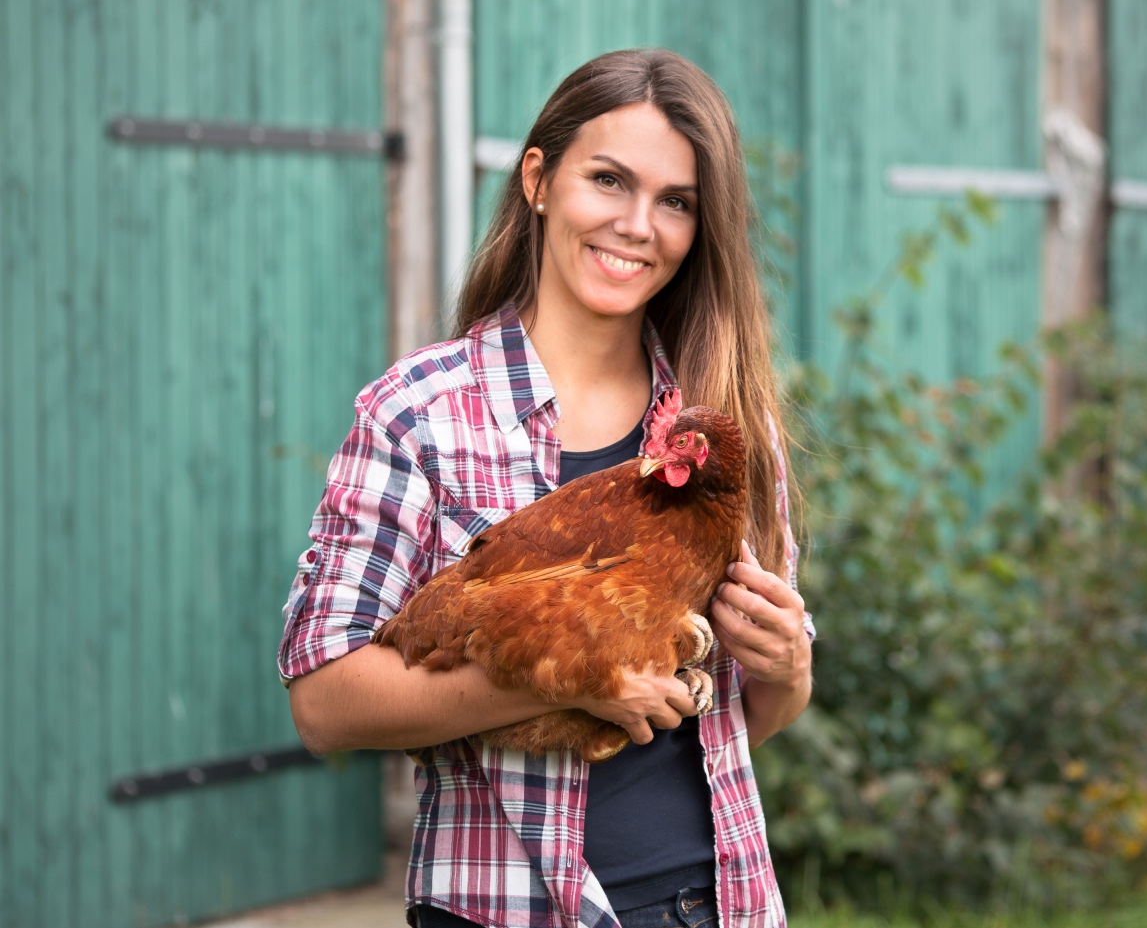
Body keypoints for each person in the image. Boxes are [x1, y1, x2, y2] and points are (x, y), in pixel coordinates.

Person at [278, 49, 813, 928]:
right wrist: (574, 680)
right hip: (506, 907)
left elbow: (746, 721)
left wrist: (788, 669)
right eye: (609, 180)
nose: (638, 224)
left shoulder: (722, 430)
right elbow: (324, 700)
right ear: (539, 180)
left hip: (715, 903)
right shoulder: (419, 415)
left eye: (675, 201)